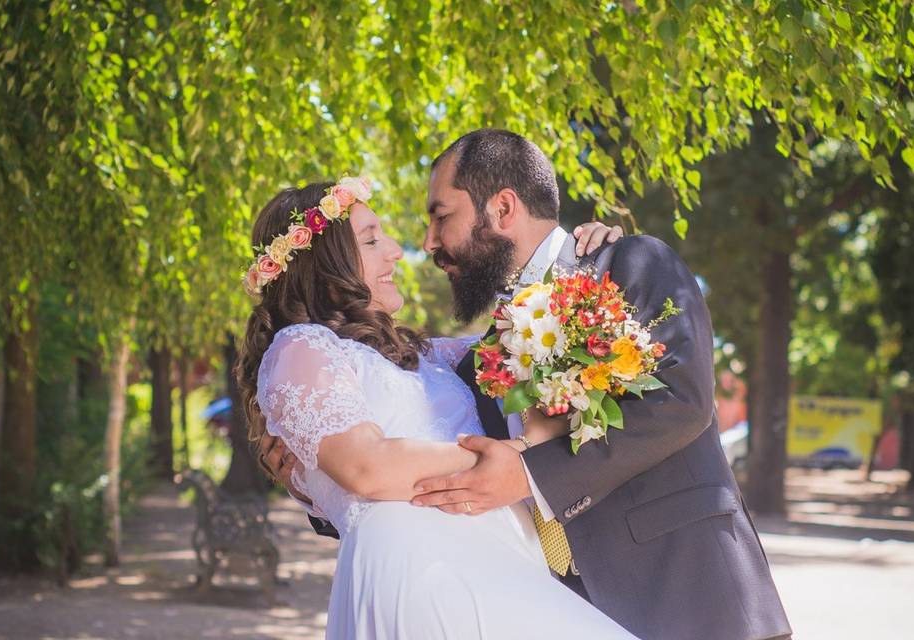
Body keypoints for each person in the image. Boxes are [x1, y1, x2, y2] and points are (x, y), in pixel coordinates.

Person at [264, 129, 793, 640]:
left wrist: (528, 475)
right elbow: (412, 458)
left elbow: (682, 401)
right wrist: (317, 482)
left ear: (502, 209)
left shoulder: (628, 263)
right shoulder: (475, 363)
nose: (426, 245)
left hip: (689, 596)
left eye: (441, 217)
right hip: (544, 605)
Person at [236, 177, 635, 639]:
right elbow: (366, 467)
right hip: (422, 567)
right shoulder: (298, 348)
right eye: (371, 240)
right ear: (323, 265)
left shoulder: (428, 356)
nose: (394, 252)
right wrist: (520, 458)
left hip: (502, 560)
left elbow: (532, 330)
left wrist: (586, 260)